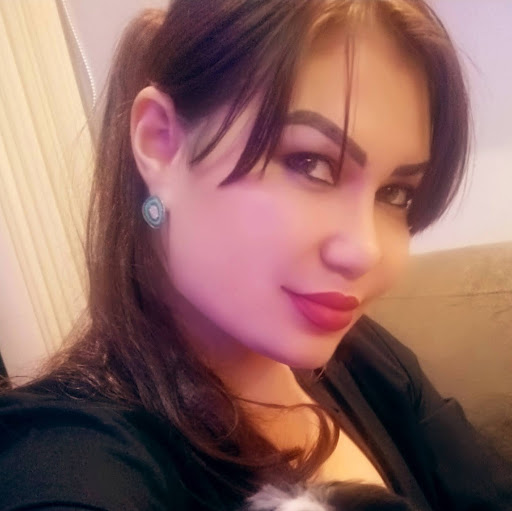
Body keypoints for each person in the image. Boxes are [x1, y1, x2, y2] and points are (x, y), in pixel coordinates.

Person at [0, 1, 511, 510]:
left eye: (396, 193)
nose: (365, 251)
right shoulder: (67, 452)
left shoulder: (369, 360)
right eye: (310, 162)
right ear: (160, 143)